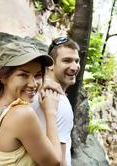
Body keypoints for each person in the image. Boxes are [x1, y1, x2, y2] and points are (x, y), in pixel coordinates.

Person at [0, 41, 62, 166]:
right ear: (2, 77)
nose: (34, 84)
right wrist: (51, 112)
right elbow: (55, 163)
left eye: (38, 75)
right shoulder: (22, 114)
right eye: (23, 75)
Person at [31, 37, 80, 166]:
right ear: (51, 64)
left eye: (76, 61)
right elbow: (60, 161)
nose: (75, 67)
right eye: (67, 61)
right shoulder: (60, 102)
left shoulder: (31, 91)